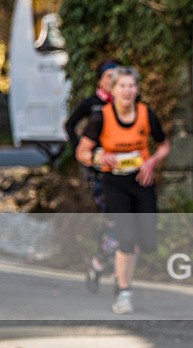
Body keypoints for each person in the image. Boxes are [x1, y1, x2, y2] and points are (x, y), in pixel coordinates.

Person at [75, 66, 171, 314]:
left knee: (147, 241)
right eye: (122, 86)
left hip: (142, 182)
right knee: (126, 237)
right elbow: (82, 152)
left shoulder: (146, 114)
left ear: (137, 90)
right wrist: (99, 158)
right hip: (115, 184)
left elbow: (163, 144)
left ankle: (119, 272)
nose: (127, 91)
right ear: (113, 90)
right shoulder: (101, 118)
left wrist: (151, 162)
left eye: (132, 86)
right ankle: (124, 290)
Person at [64, 58, 121, 292]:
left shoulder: (126, 102)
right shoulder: (92, 103)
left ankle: (99, 263)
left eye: (118, 76)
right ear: (100, 79)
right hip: (98, 171)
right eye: (109, 76)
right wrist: (85, 152)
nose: (114, 80)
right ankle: (118, 271)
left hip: (122, 168)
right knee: (112, 217)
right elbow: (70, 125)